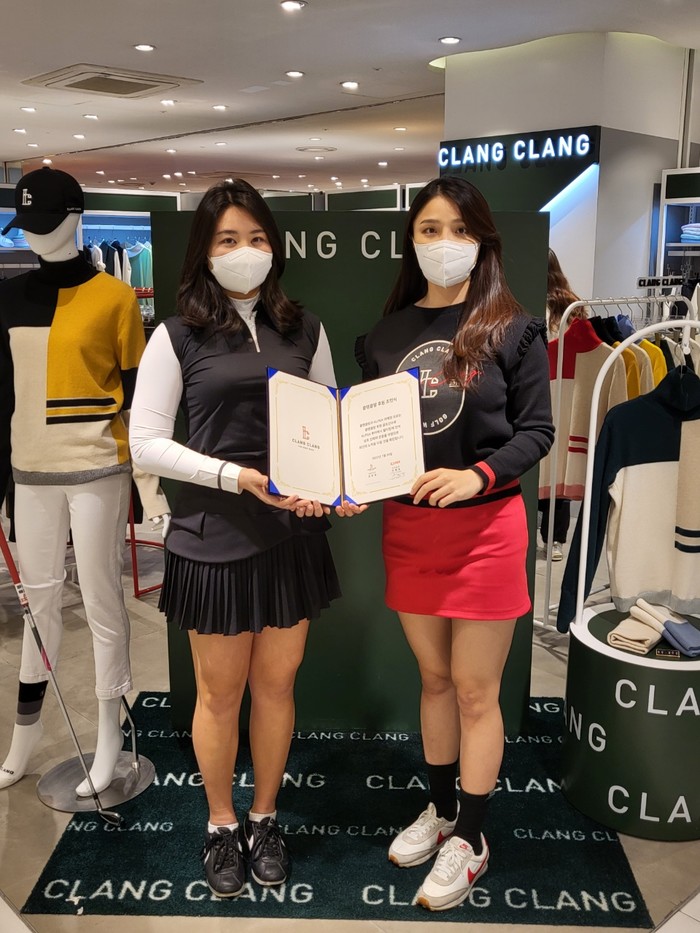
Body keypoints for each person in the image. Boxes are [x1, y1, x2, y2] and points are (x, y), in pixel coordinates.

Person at [129, 179, 344, 898]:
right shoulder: (175, 335)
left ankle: (264, 816)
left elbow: (329, 429)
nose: (245, 251)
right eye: (228, 239)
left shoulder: (305, 328)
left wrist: (335, 487)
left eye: (256, 238)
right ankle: (221, 823)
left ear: (274, 247)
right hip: (212, 535)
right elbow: (145, 444)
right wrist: (235, 476)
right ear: (205, 251)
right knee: (219, 695)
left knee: (277, 686)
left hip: (291, 536)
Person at [357, 176, 554, 912]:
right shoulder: (383, 337)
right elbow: (369, 440)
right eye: (429, 229)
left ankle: (472, 836)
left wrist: (477, 476)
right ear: (411, 241)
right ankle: (441, 810)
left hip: (486, 532)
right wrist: (349, 483)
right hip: (410, 531)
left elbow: (537, 431)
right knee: (435, 681)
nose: (445, 243)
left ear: (483, 240)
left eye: (459, 229)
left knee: (476, 690)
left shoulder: (514, 329)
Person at [0, 167, 168, 797]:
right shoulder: (7, 298)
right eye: (27, 225)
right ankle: (23, 736)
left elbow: (137, 400)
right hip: (29, 472)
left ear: (75, 218)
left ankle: (109, 737)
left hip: (97, 467)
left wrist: (148, 490)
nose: (35, 236)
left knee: (101, 601)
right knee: (38, 605)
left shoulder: (115, 298)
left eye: (46, 223)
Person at [538, 248, 587, 560]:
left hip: (548, 385)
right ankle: (554, 539)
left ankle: (550, 537)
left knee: (548, 463)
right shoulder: (571, 304)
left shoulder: (562, 305)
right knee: (555, 464)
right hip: (563, 388)